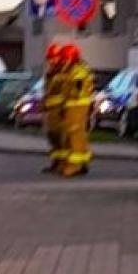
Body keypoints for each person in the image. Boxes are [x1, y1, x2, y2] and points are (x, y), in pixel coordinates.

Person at [59, 45, 95, 177]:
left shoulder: (77, 71)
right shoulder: (75, 70)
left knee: (74, 135)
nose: (63, 61)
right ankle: (82, 163)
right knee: (78, 135)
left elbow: (76, 89)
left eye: (65, 58)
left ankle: (75, 165)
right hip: (75, 106)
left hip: (77, 106)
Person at [41, 43, 66, 174]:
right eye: (50, 58)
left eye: (53, 57)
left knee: (61, 139)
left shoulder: (63, 73)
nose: (51, 60)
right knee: (53, 138)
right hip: (51, 111)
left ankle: (62, 164)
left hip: (60, 111)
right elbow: (47, 91)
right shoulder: (51, 72)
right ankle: (56, 163)